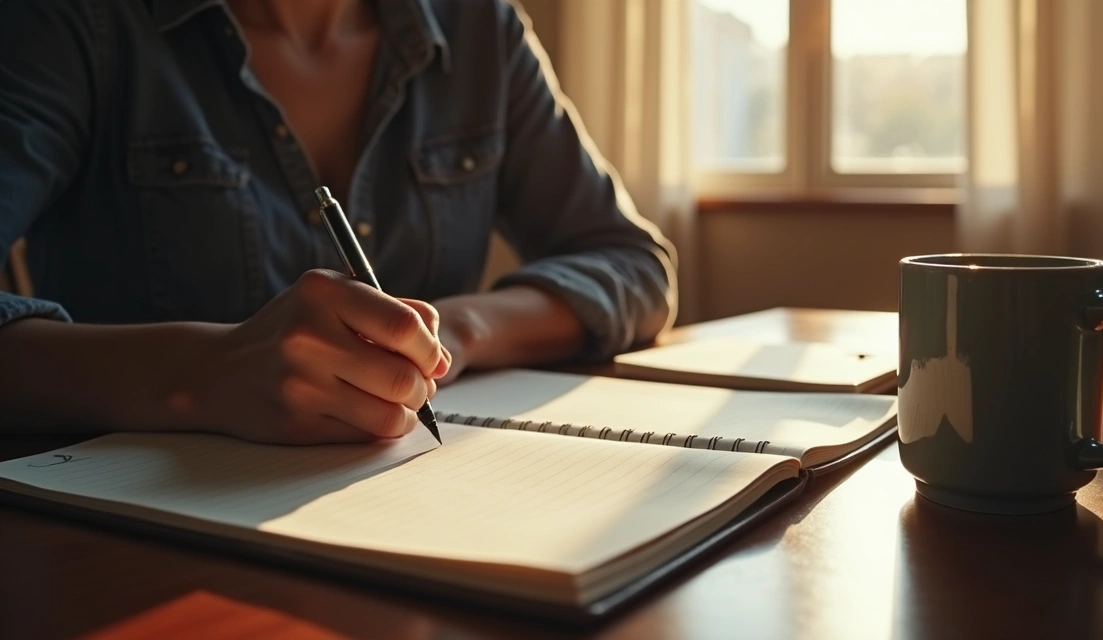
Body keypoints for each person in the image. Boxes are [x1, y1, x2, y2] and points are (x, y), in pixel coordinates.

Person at [0, 0, 676, 444]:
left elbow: (634, 266)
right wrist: (201, 373)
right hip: (121, 548)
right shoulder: (72, 22)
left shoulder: (478, 27)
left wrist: (449, 332)